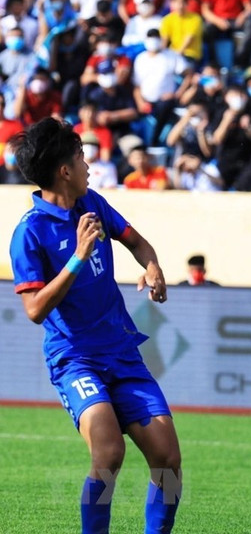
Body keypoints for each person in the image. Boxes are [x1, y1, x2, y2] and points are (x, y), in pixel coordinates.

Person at [7, 118, 181, 533]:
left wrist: (153, 267)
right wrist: (77, 257)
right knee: (108, 455)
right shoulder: (29, 234)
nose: (89, 166)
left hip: (121, 352)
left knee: (168, 461)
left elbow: (138, 242)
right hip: (75, 359)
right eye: (82, 158)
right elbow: (34, 309)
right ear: (64, 170)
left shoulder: (93, 204)